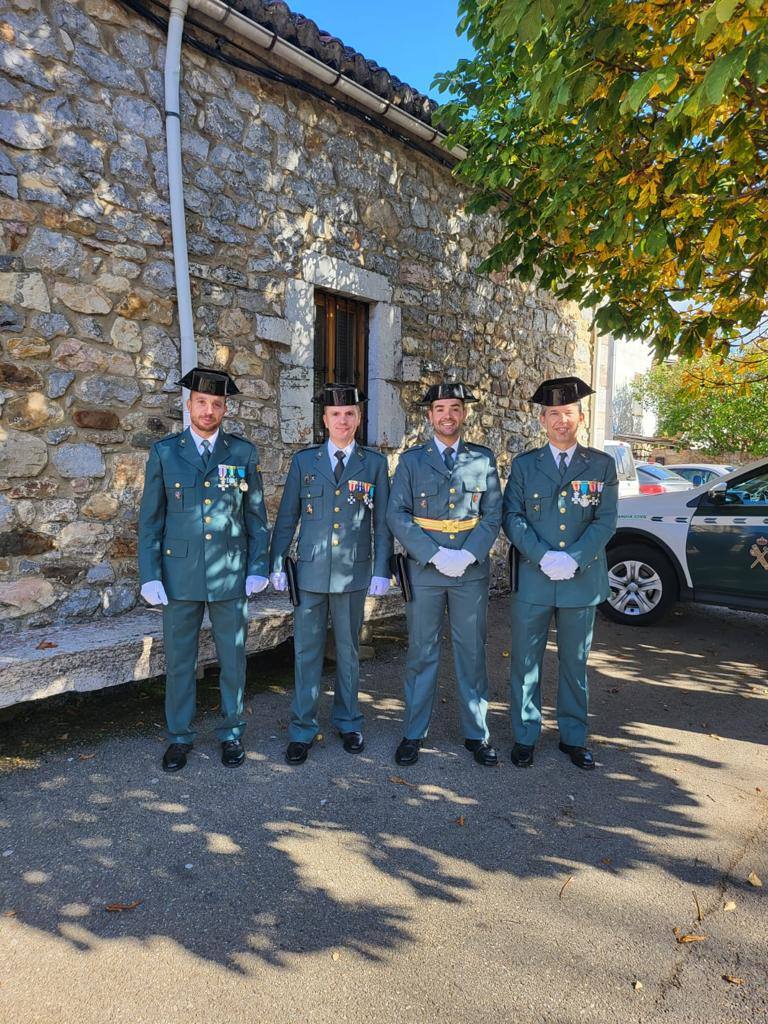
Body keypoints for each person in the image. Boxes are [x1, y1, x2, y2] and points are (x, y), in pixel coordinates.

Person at [138, 366, 269, 773]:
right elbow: (151, 520)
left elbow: (256, 517)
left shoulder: (242, 453)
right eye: (201, 402)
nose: (208, 410)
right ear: (188, 404)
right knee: (179, 660)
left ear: (225, 408)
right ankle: (179, 737)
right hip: (179, 575)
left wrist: (257, 566)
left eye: (216, 403)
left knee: (233, 658)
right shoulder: (165, 452)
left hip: (230, 572)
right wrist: (150, 574)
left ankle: (232, 732)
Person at [269, 383, 393, 765]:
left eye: (350, 414)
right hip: (309, 572)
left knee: (348, 651)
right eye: (336, 414)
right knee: (306, 652)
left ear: (358, 419)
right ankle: (302, 728)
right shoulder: (305, 462)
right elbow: (288, 515)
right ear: (324, 420)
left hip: (353, 574)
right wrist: (276, 561)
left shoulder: (373, 464)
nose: (343, 420)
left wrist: (381, 568)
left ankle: (348, 720)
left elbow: (382, 522)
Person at [502, 376, 618, 770]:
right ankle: (525, 735)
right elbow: (512, 516)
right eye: (554, 414)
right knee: (525, 662)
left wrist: (575, 558)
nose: (561, 421)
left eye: (568, 413)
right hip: (535, 578)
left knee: (575, 662)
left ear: (580, 417)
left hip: (580, 581)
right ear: (542, 421)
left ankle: (573, 736)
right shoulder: (524, 465)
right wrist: (542, 556)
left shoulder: (601, 465)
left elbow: (606, 521)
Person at [386, 382, 502, 767]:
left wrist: (468, 554)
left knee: (471, 652)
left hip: (470, 570)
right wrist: (433, 554)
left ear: (464, 414)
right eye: (440, 408)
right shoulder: (411, 461)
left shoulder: (482, 460)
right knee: (421, 651)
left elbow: (493, 514)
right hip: (426, 569)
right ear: (429, 415)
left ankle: (477, 734)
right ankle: (413, 732)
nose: (448, 415)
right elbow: (396, 514)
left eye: (455, 408)